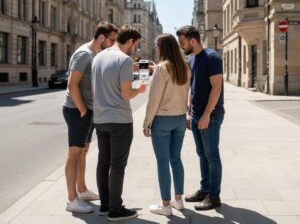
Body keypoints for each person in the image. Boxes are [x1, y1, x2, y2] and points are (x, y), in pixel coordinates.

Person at [92, 25, 148, 221]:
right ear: (130, 41)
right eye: (136, 44)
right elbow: (126, 94)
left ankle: (105, 205)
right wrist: (139, 90)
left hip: (100, 118)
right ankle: (116, 210)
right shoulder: (124, 60)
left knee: (103, 161)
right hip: (119, 120)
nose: (135, 48)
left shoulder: (99, 56)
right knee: (117, 165)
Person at [63, 21, 119, 213]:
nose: (114, 43)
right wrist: (83, 110)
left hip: (88, 110)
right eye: (112, 40)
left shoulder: (96, 54)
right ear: (102, 38)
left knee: (84, 151)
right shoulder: (84, 54)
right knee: (74, 153)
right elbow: (72, 84)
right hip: (77, 110)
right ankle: (72, 199)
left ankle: (82, 189)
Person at [176, 25, 225, 211]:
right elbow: (191, 86)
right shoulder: (192, 58)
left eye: (182, 42)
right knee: (202, 154)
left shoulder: (212, 57)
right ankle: (204, 190)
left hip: (210, 116)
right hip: (196, 115)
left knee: (212, 155)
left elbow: (217, 87)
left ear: (193, 40)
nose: (181, 46)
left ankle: (214, 196)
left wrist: (206, 114)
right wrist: (190, 112)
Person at [143, 34, 191, 216]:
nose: (155, 49)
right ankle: (178, 200)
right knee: (176, 159)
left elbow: (153, 99)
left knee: (162, 162)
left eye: (157, 46)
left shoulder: (162, 69)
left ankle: (165, 205)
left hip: (162, 120)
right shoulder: (185, 67)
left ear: (162, 47)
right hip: (179, 118)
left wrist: (147, 123)